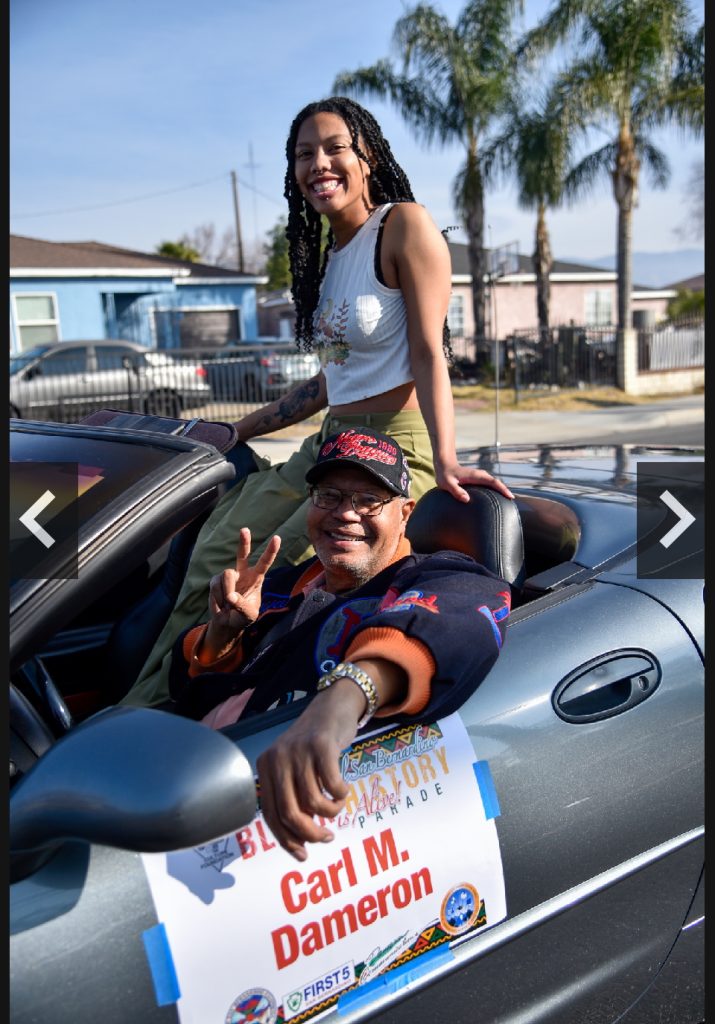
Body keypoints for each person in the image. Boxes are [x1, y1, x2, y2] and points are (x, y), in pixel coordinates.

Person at [122, 95, 512, 710]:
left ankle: (169, 718)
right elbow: (331, 382)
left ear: (368, 157)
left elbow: (429, 352)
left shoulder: (403, 225)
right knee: (217, 552)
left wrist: (447, 461)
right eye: (305, 154)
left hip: (389, 446)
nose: (319, 164)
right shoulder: (331, 258)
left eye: (334, 148)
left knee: (271, 575)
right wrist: (235, 428)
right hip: (331, 439)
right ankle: (140, 705)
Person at [167, 428, 512, 861]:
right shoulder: (276, 588)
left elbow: (458, 617)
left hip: (272, 833)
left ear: (405, 513)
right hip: (188, 785)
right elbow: (190, 689)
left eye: (369, 500)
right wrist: (224, 635)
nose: (345, 514)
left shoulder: (430, 577)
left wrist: (343, 702)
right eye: (329, 496)